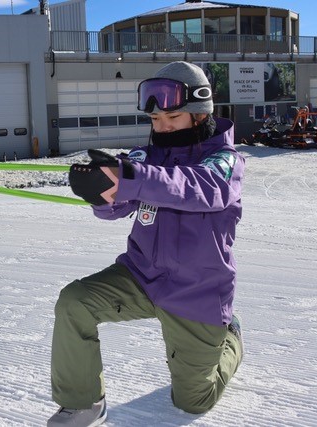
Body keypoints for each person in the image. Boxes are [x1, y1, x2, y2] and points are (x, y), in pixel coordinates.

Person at [47, 61, 245, 426]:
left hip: (196, 291)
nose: (162, 127)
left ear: (199, 115)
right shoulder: (146, 157)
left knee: (193, 401)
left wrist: (132, 179)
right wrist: (101, 193)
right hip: (141, 275)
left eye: (172, 117)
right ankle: (83, 403)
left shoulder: (224, 161)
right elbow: (116, 209)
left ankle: (231, 337)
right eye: (155, 121)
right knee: (74, 302)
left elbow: (202, 188)